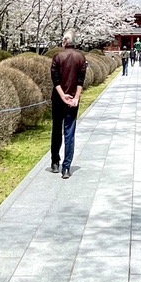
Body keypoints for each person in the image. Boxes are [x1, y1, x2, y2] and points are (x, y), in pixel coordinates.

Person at [50, 30, 88, 179]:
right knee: (70, 132)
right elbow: (80, 80)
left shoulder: (58, 57)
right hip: (73, 100)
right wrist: (76, 97)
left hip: (58, 99)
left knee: (56, 130)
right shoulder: (81, 57)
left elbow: (55, 80)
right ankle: (66, 167)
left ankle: (54, 162)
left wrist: (62, 95)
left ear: (65, 41)